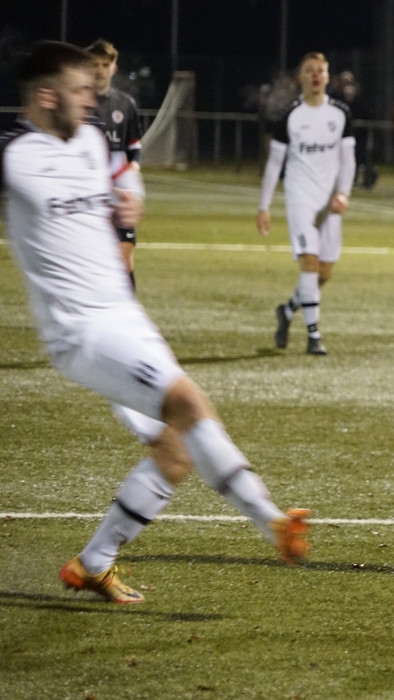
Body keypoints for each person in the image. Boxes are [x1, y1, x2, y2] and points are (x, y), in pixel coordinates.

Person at [1, 41, 309, 604]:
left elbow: (123, 175)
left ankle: (93, 563)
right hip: (82, 332)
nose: (92, 100)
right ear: (46, 97)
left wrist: (131, 199)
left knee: (175, 450)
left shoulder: (90, 141)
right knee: (189, 402)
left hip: (125, 314)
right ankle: (271, 523)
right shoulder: (16, 158)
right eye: (80, 91)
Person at [257, 51, 356, 356]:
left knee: (323, 273)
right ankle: (314, 335)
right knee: (309, 264)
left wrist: (343, 193)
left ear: (327, 77)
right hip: (300, 197)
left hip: (329, 202)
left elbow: (348, 159)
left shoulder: (340, 113)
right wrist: (264, 206)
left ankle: (287, 310)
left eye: (320, 70)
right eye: (309, 70)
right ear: (300, 77)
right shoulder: (291, 115)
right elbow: (275, 163)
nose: (315, 75)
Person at [84, 38, 144, 289]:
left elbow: (134, 147)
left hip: (118, 190)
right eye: (94, 64)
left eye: (105, 64)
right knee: (89, 262)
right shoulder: (77, 103)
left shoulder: (125, 105)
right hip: (86, 190)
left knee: (124, 261)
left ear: (113, 68)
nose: (100, 70)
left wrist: (133, 169)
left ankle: (127, 307)